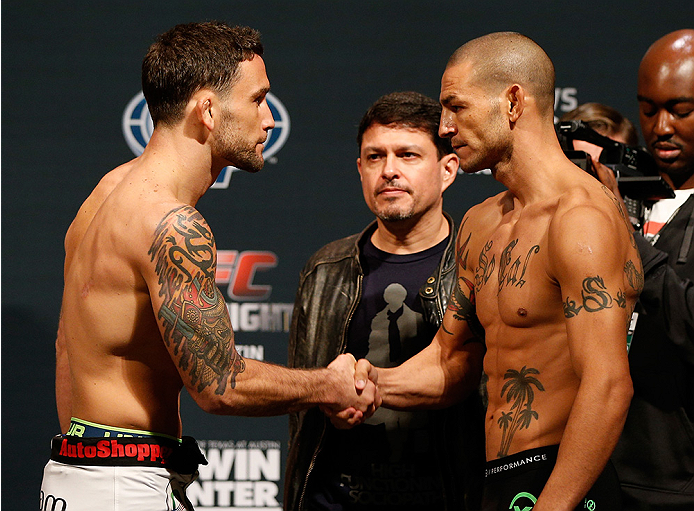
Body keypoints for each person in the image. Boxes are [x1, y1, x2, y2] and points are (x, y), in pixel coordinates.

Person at [41, 21, 378, 511]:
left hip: (79, 477)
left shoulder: (106, 192)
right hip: (123, 488)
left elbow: (67, 349)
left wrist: (90, 467)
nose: (268, 120)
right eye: (258, 99)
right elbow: (221, 385)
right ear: (208, 110)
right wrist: (327, 384)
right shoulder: (173, 224)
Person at [333, 32, 644, 510]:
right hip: (494, 481)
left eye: (456, 107)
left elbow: (607, 384)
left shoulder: (580, 219)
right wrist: (368, 382)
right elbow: (447, 356)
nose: (445, 127)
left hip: (567, 482)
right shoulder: (481, 222)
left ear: (513, 101)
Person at [284, 91, 486, 511]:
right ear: (360, 168)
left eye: (408, 155)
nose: (389, 171)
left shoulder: (478, 265)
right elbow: (303, 405)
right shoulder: (324, 269)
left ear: (448, 169)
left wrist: (361, 387)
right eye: (375, 157)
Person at [605, 29, 694, 510]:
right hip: (599, 469)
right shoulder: (622, 200)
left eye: (681, 111)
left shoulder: (620, 216)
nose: (660, 127)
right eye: (648, 108)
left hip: (678, 485)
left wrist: (630, 241)